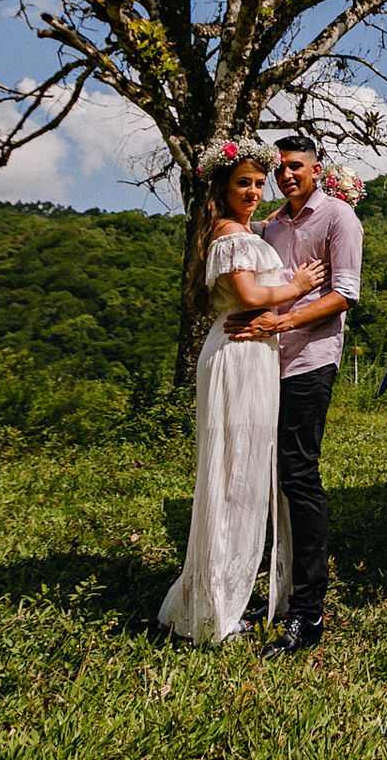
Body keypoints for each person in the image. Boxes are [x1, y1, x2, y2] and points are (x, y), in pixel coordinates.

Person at [157, 138, 324, 644]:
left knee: (246, 476)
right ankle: (211, 610)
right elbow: (249, 296)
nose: (253, 191)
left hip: (255, 354)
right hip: (238, 356)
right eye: (242, 183)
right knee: (233, 478)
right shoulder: (229, 234)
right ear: (221, 187)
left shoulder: (248, 229)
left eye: (257, 182)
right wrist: (295, 288)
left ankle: (219, 599)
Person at [241, 135, 363, 657]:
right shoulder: (273, 225)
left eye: (297, 167)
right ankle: (272, 585)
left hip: (311, 360)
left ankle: (308, 611)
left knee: (298, 472)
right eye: (282, 168)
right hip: (268, 361)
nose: (288, 175)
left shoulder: (338, 219)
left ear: (317, 169)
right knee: (269, 475)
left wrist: (284, 319)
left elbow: (344, 294)